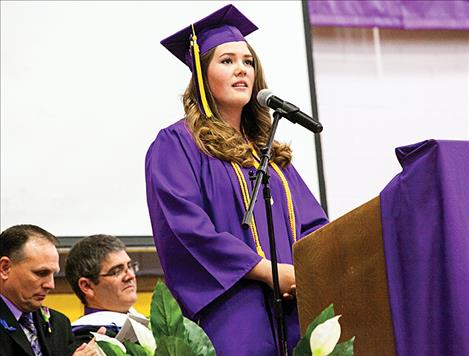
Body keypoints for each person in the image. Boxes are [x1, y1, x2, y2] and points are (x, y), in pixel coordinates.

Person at [145, 4, 328, 355]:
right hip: (233, 310)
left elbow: (314, 225)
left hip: (294, 309)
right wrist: (266, 271)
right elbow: (186, 229)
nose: (241, 69)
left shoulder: (270, 153)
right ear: (202, 73)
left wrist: (307, 272)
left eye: (248, 62)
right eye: (227, 61)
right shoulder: (177, 145)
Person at [0, 224, 102, 356]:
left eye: (53, 274)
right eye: (41, 273)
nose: (50, 285)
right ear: (5, 268)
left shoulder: (59, 324)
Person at [65, 234, 143, 343]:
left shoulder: (146, 325)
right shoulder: (85, 339)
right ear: (87, 286)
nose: (130, 276)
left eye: (129, 266)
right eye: (116, 271)